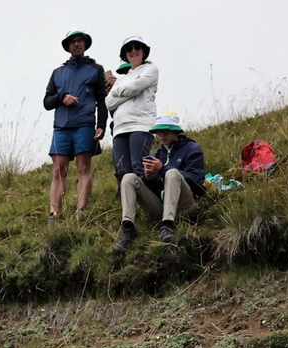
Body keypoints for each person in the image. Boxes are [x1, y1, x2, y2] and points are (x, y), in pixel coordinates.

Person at [114, 111, 205, 250]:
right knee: (129, 178)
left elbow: (197, 181)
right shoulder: (157, 154)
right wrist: (148, 178)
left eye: (165, 132)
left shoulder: (192, 149)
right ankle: (128, 229)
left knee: (172, 173)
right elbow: (155, 185)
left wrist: (162, 169)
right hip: (160, 206)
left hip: (186, 204)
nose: (161, 136)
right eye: (158, 132)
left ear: (176, 133)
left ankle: (168, 225)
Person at [44, 31, 108, 225]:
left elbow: (101, 100)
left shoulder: (96, 69)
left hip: (84, 124)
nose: (76, 44)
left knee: (83, 166)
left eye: (79, 41)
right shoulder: (58, 73)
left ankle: (81, 210)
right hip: (61, 126)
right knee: (58, 169)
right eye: (72, 42)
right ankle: (54, 214)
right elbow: (47, 101)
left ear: (85, 44)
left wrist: (101, 125)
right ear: (68, 46)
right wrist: (61, 97)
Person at [105, 35, 158, 183]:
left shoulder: (150, 69)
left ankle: (149, 202)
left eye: (137, 47)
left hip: (140, 125)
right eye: (129, 49)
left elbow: (136, 87)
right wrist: (128, 90)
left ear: (143, 51)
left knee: (139, 167)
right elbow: (109, 103)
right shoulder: (122, 79)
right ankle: (129, 204)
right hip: (119, 128)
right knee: (122, 171)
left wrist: (117, 91)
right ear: (125, 54)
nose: (133, 51)